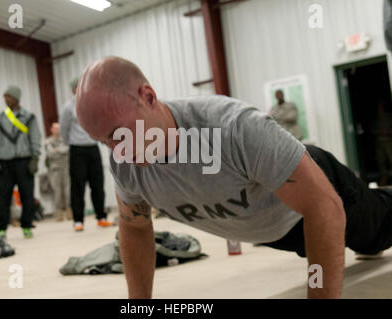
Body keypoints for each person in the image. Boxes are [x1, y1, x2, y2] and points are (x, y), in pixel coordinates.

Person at [75, 57, 392, 299]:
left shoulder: (230, 129)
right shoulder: (125, 162)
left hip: (318, 189)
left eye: (119, 135)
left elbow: (324, 206)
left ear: (148, 96)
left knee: (378, 232)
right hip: (275, 228)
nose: (118, 151)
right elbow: (133, 227)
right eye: (104, 141)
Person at [60, 77, 113, 231]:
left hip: (93, 147)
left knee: (97, 183)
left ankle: (101, 217)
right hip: (77, 150)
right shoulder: (68, 108)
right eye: (79, 86)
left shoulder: (93, 105)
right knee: (78, 186)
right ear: (74, 89)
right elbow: (64, 130)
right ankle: (78, 220)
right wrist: (72, 142)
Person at [0, 86, 41, 239]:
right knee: (3, 197)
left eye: (9, 97)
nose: (6, 99)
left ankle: (27, 226)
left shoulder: (29, 117)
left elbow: (35, 137)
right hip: (4, 162)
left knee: (27, 195)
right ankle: (1, 228)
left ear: (16, 98)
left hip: (24, 161)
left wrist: (35, 158)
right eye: (5, 96)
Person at [45, 122, 72, 221]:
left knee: (68, 189)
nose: (57, 130)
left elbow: (66, 150)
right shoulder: (48, 141)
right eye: (55, 128)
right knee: (57, 190)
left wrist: (57, 150)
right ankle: (59, 212)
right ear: (51, 129)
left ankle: (70, 211)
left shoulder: (64, 139)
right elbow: (50, 153)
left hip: (66, 167)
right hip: (55, 169)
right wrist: (59, 151)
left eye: (58, 128)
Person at [371, 99, 392, 186]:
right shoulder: (376, 119)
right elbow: (372, 129)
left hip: (388, 141)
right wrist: (379, 131)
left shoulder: (389, 118)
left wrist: (387, 132)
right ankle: (384, 178)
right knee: (381, 161)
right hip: (379, 141)